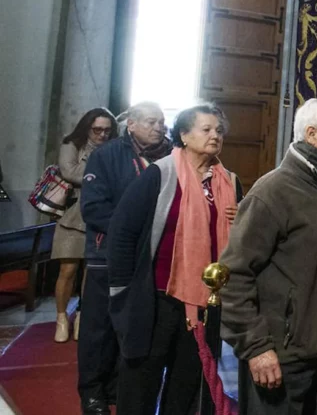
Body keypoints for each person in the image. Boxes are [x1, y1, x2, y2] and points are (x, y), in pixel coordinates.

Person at [220, 98, 317, 415]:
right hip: (281, 356)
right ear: (312, 134)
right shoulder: (272, 192)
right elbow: (233, 276)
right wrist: (256, 347)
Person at [106, 105, 241, 415]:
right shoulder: (161, 174)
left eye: (219, 131)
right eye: (206, 129)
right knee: (141, 383)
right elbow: (123, 232)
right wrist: (123, 290)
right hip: (156, 297)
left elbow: (241, 239)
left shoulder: (229, 182)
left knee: (186, 385)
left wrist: (241, 217)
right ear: (183, 135)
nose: (214, 136)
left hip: (205, 302)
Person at [78, 102, 170, 415]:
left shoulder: (171, 157)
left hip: (151, 260)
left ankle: (119, 386)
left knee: (134, 326)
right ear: (130, 124)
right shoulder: (106, 156)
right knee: (98, 328)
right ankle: (92, 392)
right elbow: (93, 209)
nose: (158, 127)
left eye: (161, 122)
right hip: (108, 255)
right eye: (150, 121)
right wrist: (131, 233)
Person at [52, 108, 118, 343]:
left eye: (107, 131)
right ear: (87, 127)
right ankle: (61, 318)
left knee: (91, 276)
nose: (102, 135)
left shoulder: (113, 148)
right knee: (67, 271)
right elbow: (68, 171)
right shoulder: (72, 143)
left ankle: (82, 316)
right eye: (97, 129)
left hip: (99, 219)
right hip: (72, 217)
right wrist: (101, 173)